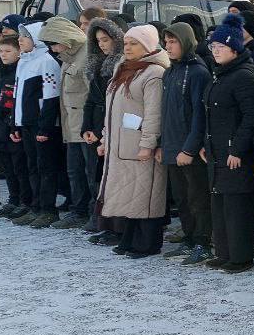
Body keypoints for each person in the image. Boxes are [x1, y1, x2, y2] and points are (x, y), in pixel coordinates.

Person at [98, 25, 170, 258]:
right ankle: (129, 238)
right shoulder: (124, 68)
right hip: (121, 144)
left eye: (134, 43)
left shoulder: (154, 73)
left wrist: (148, 144)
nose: (127, 48)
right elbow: (112, 110)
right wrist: (105, 138)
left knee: (146, 194)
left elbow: (154, 113)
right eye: (126, 43)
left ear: (147, 46)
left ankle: (147, 243)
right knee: (129, 194)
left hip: (139, 145)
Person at [201, 18, 254, 273]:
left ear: (234, 49)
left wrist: (237, 149)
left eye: (221, 47)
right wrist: (205, 144)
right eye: (213, 46)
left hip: (234, 153)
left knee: (237, 206)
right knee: (220, 202)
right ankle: (224, 252)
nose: (215, 51)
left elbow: (251, 116)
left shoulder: (243, 76)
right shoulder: (219, 75)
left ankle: (241, 256)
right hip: (216, 150)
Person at [159, 22, 212, 265]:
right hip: (171, 146)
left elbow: (200, 115)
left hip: (189, 149)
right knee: (181, 198)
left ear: (186, 42)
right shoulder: (170, 72)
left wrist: (189, 148)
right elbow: (166, 112)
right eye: (166, 42)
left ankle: (203, 242)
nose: (168, 47)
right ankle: (189, 238)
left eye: (173, 42)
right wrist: (161, 144)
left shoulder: (198, 72)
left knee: (197, 197)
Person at [40, 17, 94, 228]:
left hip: (85, 127)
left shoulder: (86, 56)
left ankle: (92, 213)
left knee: (90, 173)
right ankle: (79, 210)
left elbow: (93, 95)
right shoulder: (68, 57)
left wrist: (92, 126)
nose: (52, 49)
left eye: (54, 43)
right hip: (71, 126)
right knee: (75, 171)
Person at [11, 21, 62, 225]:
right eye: (20, 36)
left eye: (25, 36)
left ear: (37, 39)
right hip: (26, 123)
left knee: (45, 167)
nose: (20, 40)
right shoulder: (23, 61)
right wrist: (15, 123)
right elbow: (17, 95)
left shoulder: (47, 61)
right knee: (32, 166)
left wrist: (45, 127)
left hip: (41, 126)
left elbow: (51, 97)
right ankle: (36, 206)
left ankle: (48, 209)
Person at [82, 16, 126, 243]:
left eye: (106, 39)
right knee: (97, 176)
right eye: (98, 40)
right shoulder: (98, 64)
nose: (101, 45)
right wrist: (87, 127)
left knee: (113, 180)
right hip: (98, 126)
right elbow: (91, 100)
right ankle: (103, 220)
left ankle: (115, 225)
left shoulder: (122, 65)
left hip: (114, 127)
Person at [0, 35, 32, 218]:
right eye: (1, 51)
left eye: (8, 51)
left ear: (19, 52)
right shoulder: (2, 72)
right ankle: (13, 199)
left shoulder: (20, 72)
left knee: (20, 167)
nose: (3, 54)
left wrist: (11, 123)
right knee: (8, 168)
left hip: (13, 128)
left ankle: (25, 200)